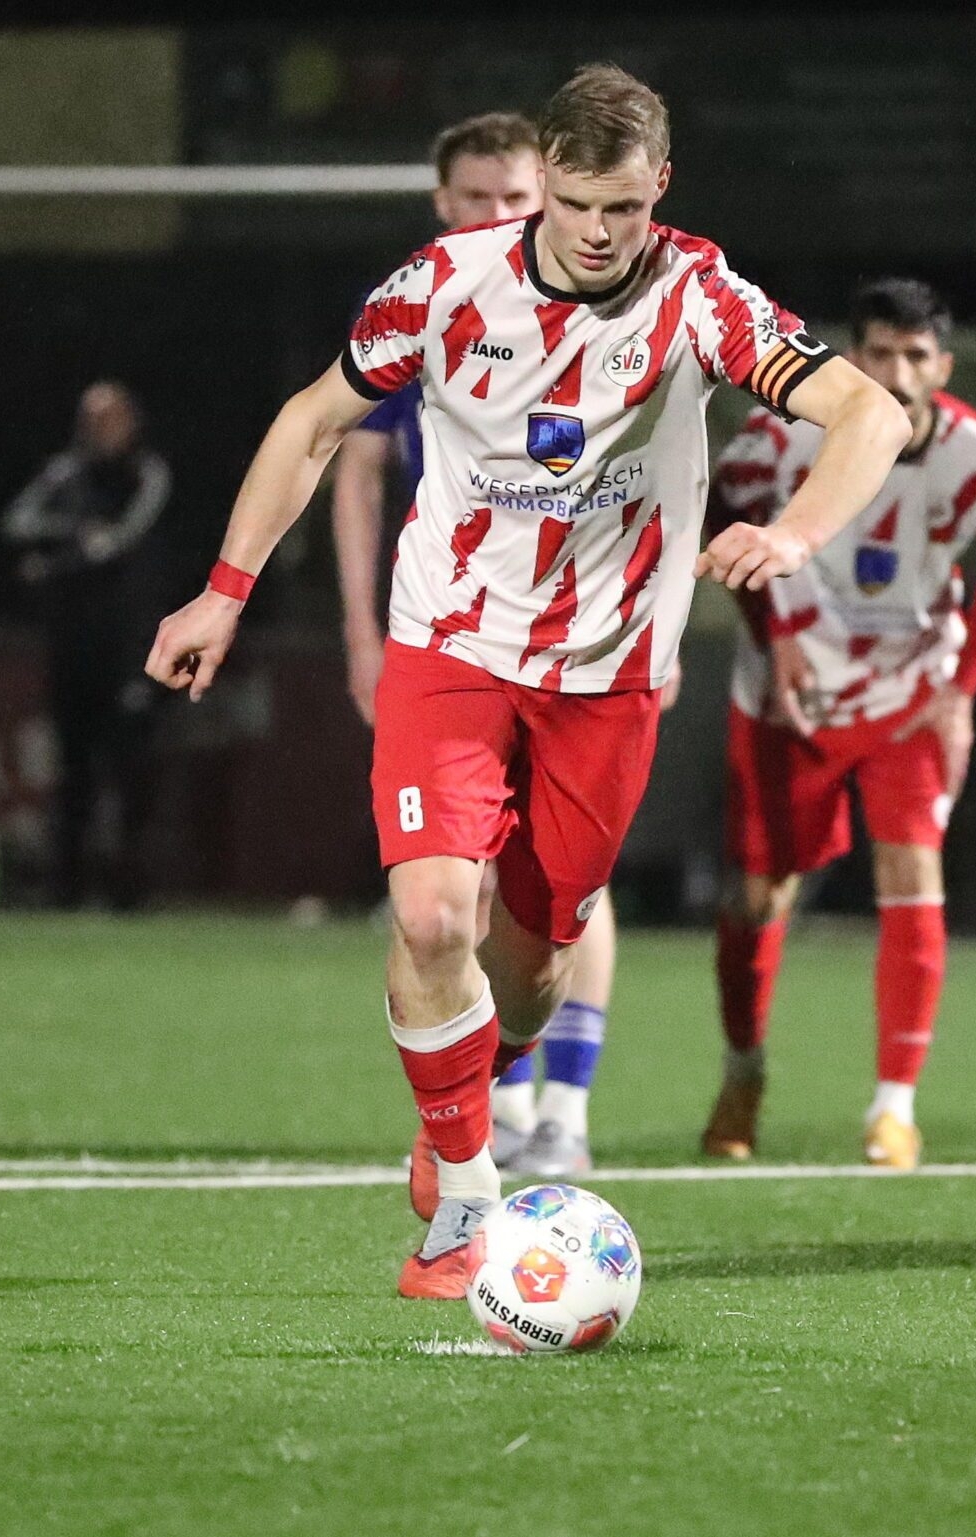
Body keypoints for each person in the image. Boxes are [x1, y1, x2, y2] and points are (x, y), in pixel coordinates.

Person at [143, 63, 910, 1297]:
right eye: (577, 204)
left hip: (606, 677)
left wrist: (794, 534)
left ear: (661, 186)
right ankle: (464, 1196)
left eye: (625, 207)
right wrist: (222, 593)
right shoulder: (443, 285)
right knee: (432, 917)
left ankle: (459, 1095)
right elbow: (311, 422)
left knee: (534, 970)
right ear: (541, 179)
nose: (599, 233)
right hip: (449, 644)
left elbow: (869, 413)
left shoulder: (699, 295)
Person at [327, 110, 622, 1179]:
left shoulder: (621, 300)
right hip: (457, 632)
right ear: (442, 202)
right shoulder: (424, 301)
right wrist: (362, 632)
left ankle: (564, 1106)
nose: (498, 213)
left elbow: (665, 468)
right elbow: (355, 468)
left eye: (516, 196)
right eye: (477, 197)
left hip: (589, 640)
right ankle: (483, 1118)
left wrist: (657, 626)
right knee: (450, 889)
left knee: (565, 883)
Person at [703, 278, 976, 1171]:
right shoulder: (781, 435)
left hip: (907, 692)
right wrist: (772, 632)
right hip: (793, 691)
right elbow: (720, 506)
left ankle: (895, 1107)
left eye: (916, 356)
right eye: (880, 353)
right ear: (853, 358)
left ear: (944, 367)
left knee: (912, 868)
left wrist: (961, 689)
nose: (898, 371)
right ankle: (743, 1070)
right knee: (758, 894)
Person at [3, 380, 172, 910]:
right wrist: (74, 535)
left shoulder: (147, 474)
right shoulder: (66, 474)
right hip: (73, 648)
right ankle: (66, 888)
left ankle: (129, 891)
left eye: (113, 419)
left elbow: (118, 543)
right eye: (94, 420)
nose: (103, 431)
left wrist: (52, 564)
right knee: (72, 771)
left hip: (129, 650)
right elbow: (18, 523)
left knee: (132, 773)